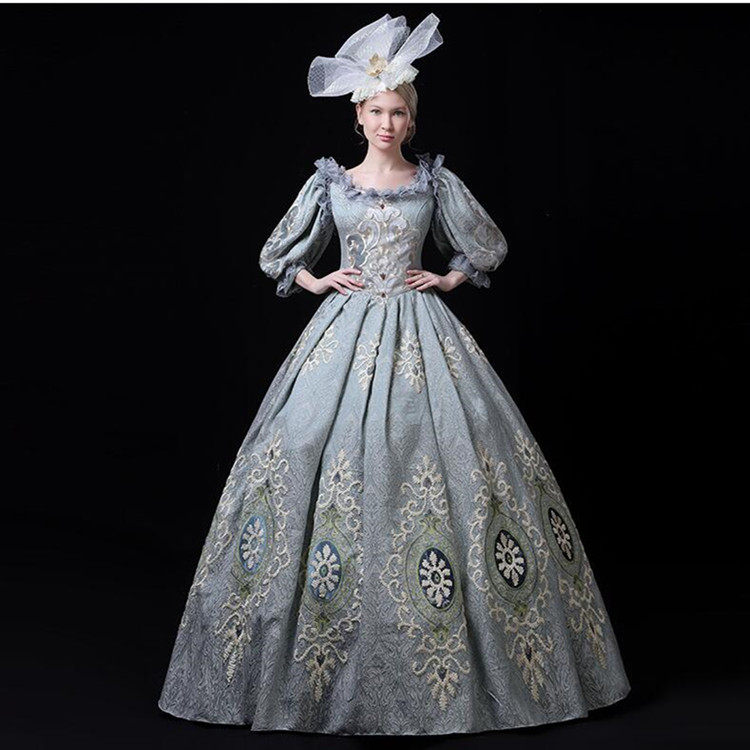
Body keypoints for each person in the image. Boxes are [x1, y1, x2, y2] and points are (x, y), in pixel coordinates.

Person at [158, 13, 631, 735]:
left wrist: (449, 277)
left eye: (399, 112)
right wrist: (317, 280)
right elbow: (276, 253)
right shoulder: (332, 185)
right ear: (358, 116)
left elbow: (487, 245)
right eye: (377, 111)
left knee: (447, 460)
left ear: (412, 119)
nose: (387, 123)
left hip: (423, 335)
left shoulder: (432, 183)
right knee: (310, 450)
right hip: (341, 336)